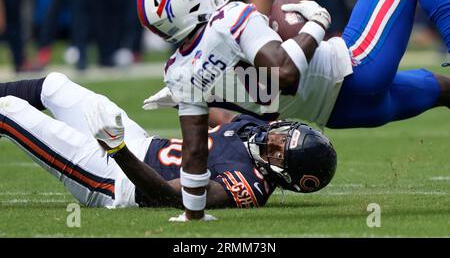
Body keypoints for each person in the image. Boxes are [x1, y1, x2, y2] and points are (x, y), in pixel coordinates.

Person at [137, 0, 450, 220]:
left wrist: (194, 215)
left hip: (340, 112)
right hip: (356, 67)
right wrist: (317, 23)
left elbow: (194, 156)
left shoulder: (179, 71)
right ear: (187, 5)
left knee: (443, 88)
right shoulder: (229, 20)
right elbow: (285, 74)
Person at [0, 72, 337, 217]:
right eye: (282, 133)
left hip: (116, 181)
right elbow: (221, 119)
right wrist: (187, 101)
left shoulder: (247, 185)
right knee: (55, 86)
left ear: (284, 174)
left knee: (9, 112)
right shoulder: (256, 130)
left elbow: (167, 195)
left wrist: (117, 150)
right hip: (140, 143)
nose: (271, 139)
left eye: (279, 148)